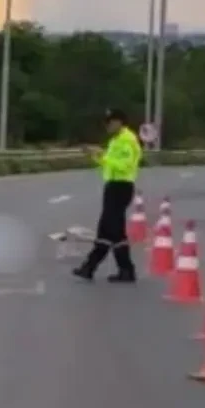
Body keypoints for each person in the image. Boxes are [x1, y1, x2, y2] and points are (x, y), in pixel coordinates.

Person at [73, 109, 142, 283]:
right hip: (113, 186)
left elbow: (124, 165)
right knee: (110, 230)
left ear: (119, 122)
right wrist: (95, 155)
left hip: (121, 187)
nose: (107, 126)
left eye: (110, 122)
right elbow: (108, 165)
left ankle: (95, 267)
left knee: (111, 230)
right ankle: (95, 268)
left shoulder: (127, 140)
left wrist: (102, 155)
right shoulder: (116, 140)